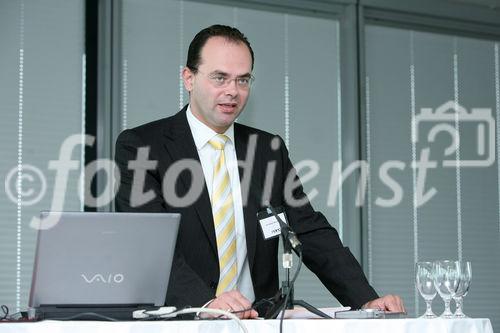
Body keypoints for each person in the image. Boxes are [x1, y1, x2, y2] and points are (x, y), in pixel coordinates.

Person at [114, 24, 405, 319]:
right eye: (220, 78)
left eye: (243, 80)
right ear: (189, 78)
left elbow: (310, 231)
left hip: (257, 322)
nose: (232, 91)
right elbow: (149, 248)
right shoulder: (142, 146)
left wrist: (366, 300)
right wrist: (205, 304)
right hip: (181, 322)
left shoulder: (268, 150)